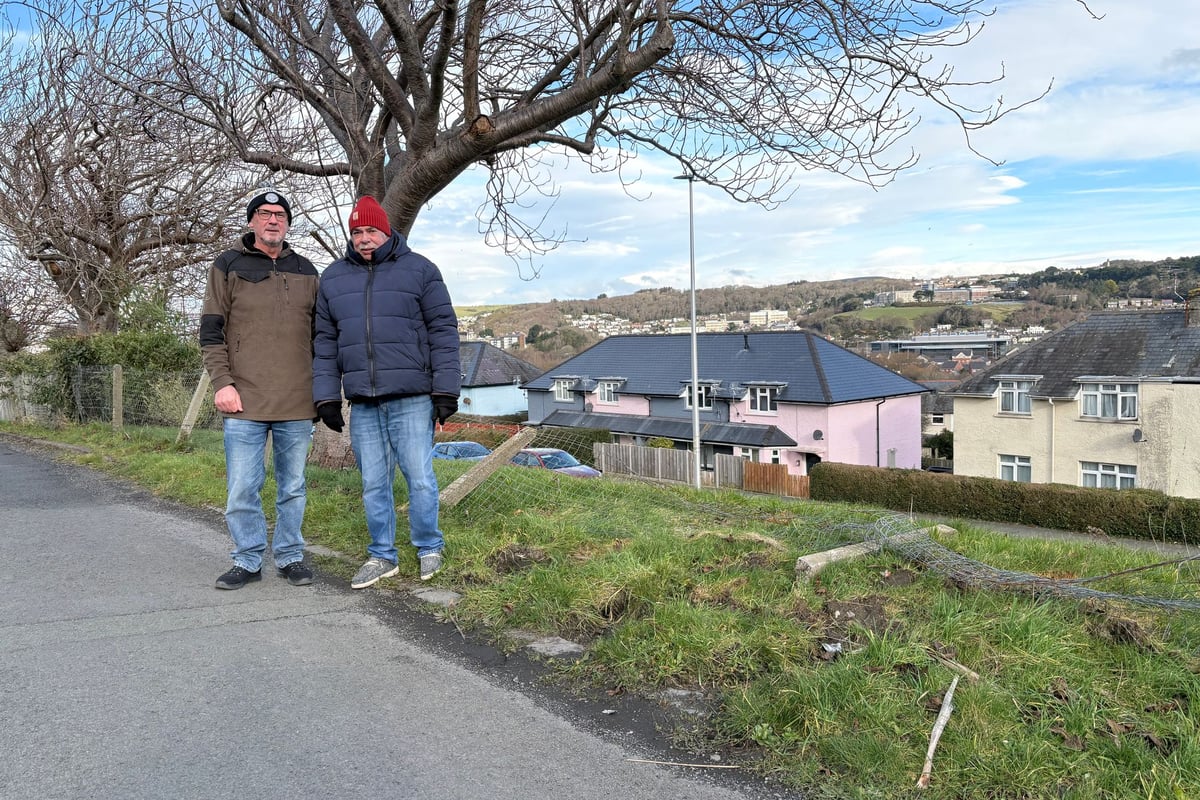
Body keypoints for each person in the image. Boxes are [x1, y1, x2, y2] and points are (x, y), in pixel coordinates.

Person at [312, 195, 460, 588]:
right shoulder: (333, 278)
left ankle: (429, 546)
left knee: (420, 478)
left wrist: (446, 390)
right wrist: (327, 397)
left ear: (387, 230)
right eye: (357, 232)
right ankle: (382, 556)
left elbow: (444, 332)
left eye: (371, 231)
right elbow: (325, 342)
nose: (364, 239)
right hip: (363, 402)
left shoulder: (421, 271)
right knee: (373, 482)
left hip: (412, 396)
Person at [201, 190, 320, 590]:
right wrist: (222, 383)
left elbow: (322, 335)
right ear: (251, 221)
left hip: (298, 399)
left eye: (281, 215)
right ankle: (247, 559)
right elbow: (211, 331)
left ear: (288, 223)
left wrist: (323, 390)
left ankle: (290, 556)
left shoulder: (306, 269)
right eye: (265, 214)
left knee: (293, 487)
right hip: (243, 400)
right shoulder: (227, 264)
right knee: (241, 488)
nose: (273, 220)